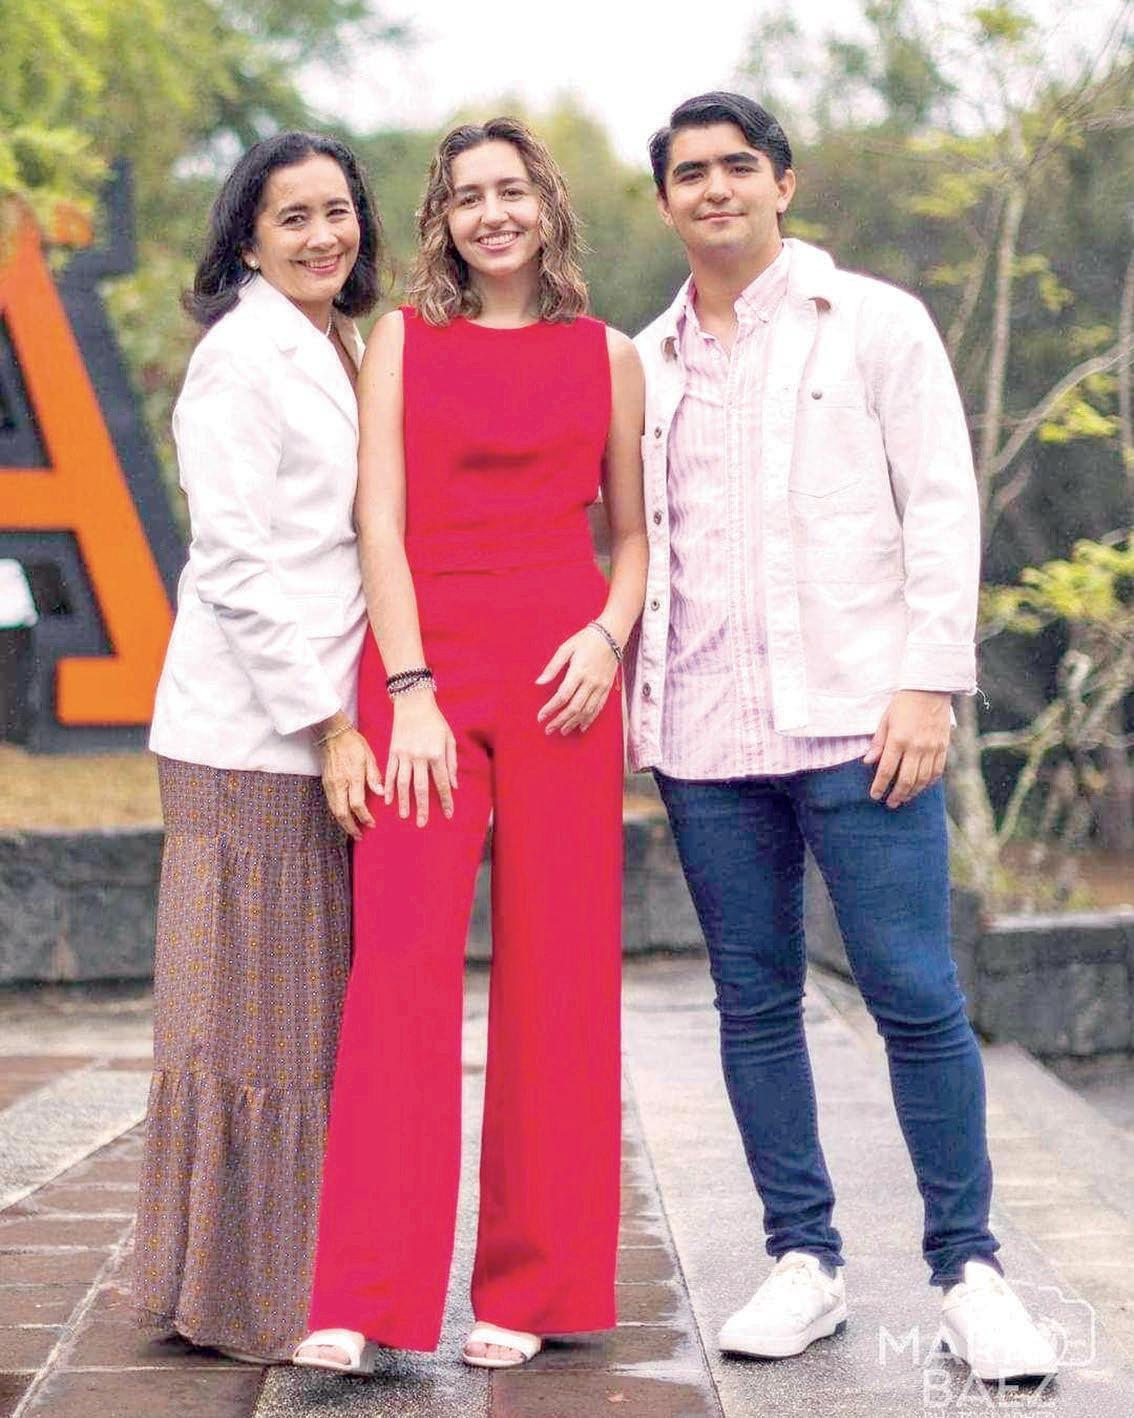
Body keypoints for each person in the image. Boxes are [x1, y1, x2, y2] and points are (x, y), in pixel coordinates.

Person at [628, 92, 1059, 1384]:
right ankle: (801, 1258)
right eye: (690, 172)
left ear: (784, 182)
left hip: (860, 721)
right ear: (664, 200)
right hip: (705, 734)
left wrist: (928, 682)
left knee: (913, 991)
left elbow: (941, 503)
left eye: (737, 166)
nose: (715, 188)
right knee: (753, 999)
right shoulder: (640, 363)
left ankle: (969, 1271)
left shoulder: (873, 321)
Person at [293, 116, 647, 1374]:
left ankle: (535, 1286)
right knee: (397, 971)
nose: (491, 213)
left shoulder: (609, 354)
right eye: (465, 196)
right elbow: (376, 523)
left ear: (548, 203)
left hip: (564, 684)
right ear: (440, 220)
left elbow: (633, 539)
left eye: (511, 189)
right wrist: (411, 686)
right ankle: (363, 1295)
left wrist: (606, 637)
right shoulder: (402, 339)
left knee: (560, 978)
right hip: (422, 681)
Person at [137, 131, 386, 1364]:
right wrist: (331, 720)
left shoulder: (340, 343)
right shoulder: (241, 358)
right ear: (246, 235)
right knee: (251, 1027)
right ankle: (248, 1297)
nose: (322, 235)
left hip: (307, 722)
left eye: (337, 210)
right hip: (255, 733)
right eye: (293, 217)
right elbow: (233, 562)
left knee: (283, 1019)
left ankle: (263, 1279)